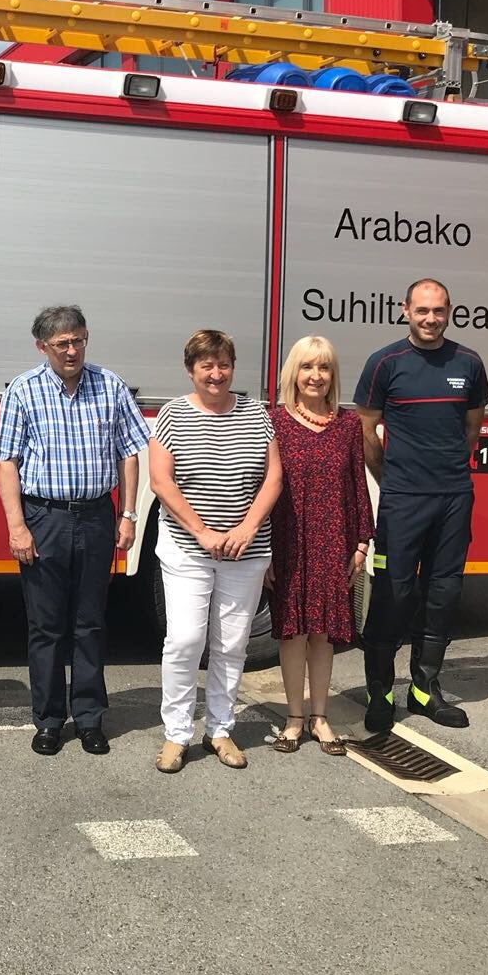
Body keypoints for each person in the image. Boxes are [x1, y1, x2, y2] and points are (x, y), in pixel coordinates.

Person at [0, 306, 150, 757]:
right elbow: (6, 461)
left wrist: (129, 514)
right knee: (45, 627)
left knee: (90, 623)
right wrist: (17, 526)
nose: (72, 350)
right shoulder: (24, 390)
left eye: (78, 340)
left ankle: (89, 718)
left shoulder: (109, 385)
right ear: (42, 346)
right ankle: (47, 720)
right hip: (44, 518)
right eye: (62, 343)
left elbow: (130, 452)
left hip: (97, 517)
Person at [353, 278, 488, 733]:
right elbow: (367, 432)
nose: (431, 319)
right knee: (393, 594)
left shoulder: (468, 362)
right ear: (405, 310)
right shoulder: (385, 363)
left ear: (449, 312)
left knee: (443, 593)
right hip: (402, 501)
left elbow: (472, 428)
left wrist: (446, 472)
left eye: (439, 311)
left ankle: (425, 690)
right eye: (422, 310)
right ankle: (380, 692)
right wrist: (391, 481)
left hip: (453, 498)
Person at [147, 330, 282, 774]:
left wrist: (247, 527)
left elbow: (273, 478)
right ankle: (176, 735)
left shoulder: (256, 413)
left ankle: (220, 729)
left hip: (246, 550)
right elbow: (161, 482)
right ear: (191, 370)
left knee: (231, 644)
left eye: (223, 364)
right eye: (206, 365)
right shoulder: (172, 415)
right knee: (185, 641)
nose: (216, 373)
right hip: (189, 549)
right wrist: (202, 532)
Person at [267, 336, 373, 756]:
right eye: (307, 367)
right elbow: (261, 487)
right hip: (287, 540)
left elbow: (357, 486)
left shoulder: (347, 425)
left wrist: (362, 542)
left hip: (334, 539)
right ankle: (294, 719)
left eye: (324, 368)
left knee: (324, 634)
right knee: (293, 633)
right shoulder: (272, 421)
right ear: (293, 372)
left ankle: (321, 717)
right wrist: (263, 549)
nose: (315, 376)